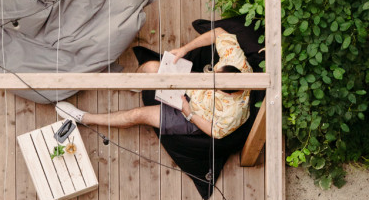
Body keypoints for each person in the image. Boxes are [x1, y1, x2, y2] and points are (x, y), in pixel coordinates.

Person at [55, 26, 252, 140]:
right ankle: (135, 84)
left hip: (192, 112)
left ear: (227, 93)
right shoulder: (235, 62)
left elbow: (214, 132)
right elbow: (218, 32)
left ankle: (84, 118)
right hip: (190, 82)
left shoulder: (234, 113)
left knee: (137, 114)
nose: (211, 73)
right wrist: (184, 49)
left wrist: (188, 111)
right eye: (212, 72)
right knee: (149, 67)